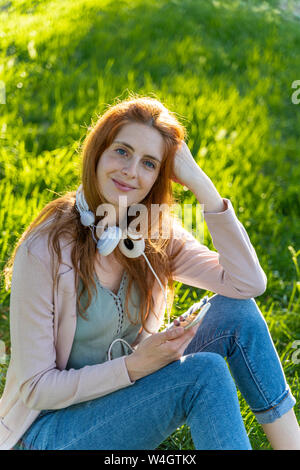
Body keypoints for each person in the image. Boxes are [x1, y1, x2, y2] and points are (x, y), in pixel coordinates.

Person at [0, 96, 299, 451]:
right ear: (96, 152)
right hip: (47, 432)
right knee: (205, 374)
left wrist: (202, 185)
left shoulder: (152, 232)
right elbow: (36, 388)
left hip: (123, 398)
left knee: (238, 313)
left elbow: (248, 283)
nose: (131, 171)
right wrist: (135, 366)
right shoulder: (44, 249)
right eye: (122, 152)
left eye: (149, 163)